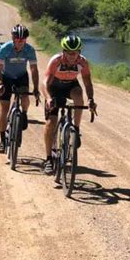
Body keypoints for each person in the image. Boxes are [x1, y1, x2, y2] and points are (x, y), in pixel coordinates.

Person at [42, 34, 96, 175]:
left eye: (76, 52)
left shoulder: (83, 62)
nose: (73, 56)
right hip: (54, 88)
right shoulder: (56, 61)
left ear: (79, 52)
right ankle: (48, 159)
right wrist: (48, 98)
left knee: (79, 96)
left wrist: (91, 99)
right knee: (50, 123)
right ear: (64, 51)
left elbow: (87, 82)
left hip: (70, 86)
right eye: (70, 53)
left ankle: (76, 129)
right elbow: (45, 82)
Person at [0, 24, 40, 154]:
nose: (20, 42)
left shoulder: (29, 50)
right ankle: (3, 140)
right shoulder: (5, 48)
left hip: (21, 77)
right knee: (4, 107)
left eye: (23, 40)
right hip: (6, 77)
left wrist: (36, 87)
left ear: (26, 40)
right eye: (18, 40)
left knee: (25, 96)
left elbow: (33, 69)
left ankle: (24, 114)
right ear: (13, 39)